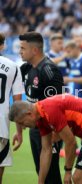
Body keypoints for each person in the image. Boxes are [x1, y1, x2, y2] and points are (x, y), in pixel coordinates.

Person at [9, 94, 82, 184]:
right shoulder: (40, 118)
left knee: (78, 178)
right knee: (79, 178)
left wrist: (67, 171)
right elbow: (46, 150)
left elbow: (71, 143)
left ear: (29, 114)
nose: (23, 127)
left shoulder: (49, 110)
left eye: (22, 122)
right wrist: (40, 182)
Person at [19, 31, 64, 184]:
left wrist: (56, 132)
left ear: (35, 50)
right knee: (41, 171)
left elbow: (59, 104)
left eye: (23, 48)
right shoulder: (26, 68)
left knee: (51, 175)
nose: (20, 51)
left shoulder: (49, 71)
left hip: (50, 130)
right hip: (34, 128)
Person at [0, 33, 24, 184]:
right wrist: (19, 131)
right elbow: (17, 103)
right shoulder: (13, 66)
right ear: (2, 46)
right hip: (1, 125)